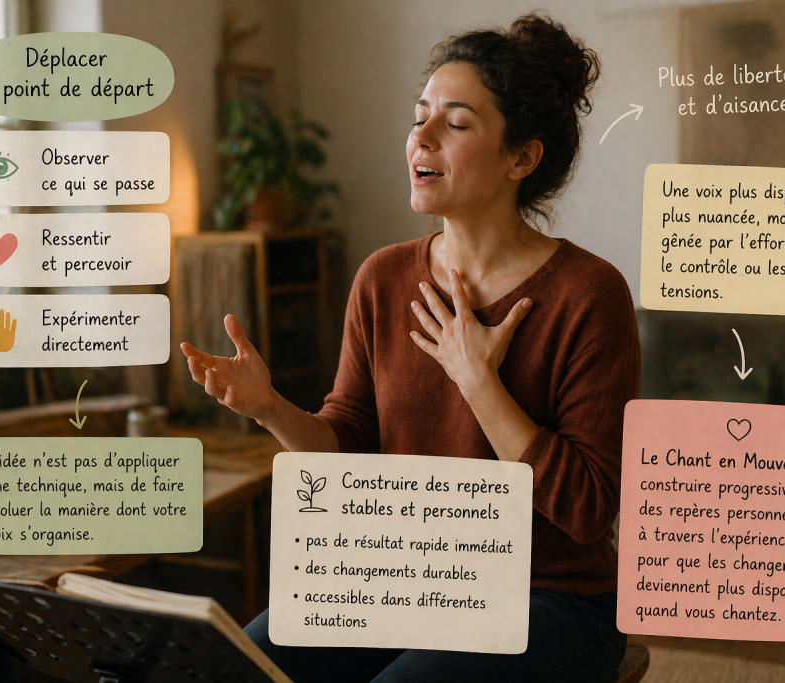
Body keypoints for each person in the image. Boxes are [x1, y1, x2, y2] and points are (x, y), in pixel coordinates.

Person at [181, 13, 639, 683]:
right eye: (420, 115)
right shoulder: (383, 278)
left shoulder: (588, 293)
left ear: (522, 157)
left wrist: (478, 380)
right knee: (230, 666)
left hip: (554, 600)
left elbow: (589, 507)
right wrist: (270, 407)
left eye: (455, 123)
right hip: (404, 580)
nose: (420, 136)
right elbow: (348, 449)